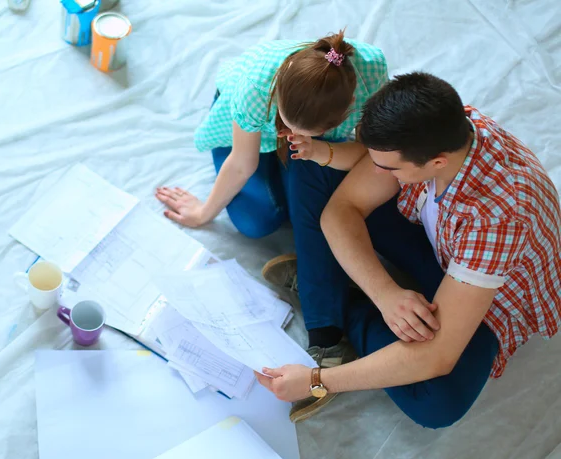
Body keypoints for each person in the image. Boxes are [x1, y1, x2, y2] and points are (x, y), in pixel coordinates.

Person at [258, 72, 561, 427]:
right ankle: (327, 330)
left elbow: (438, 358)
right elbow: (342, 211)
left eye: (389, 167)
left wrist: (317, 381)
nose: (374, 170)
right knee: (314, 168)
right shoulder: (439, 125)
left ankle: (335, 293)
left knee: (437, 403)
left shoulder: (499, 219)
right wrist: (386, 294)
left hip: (486, 298)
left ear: (436, 163)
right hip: (442, 243)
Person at [155, 31, 388, 238]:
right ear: (278, 93)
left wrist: (317, 148)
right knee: (255, 222)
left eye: (311, 132)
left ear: (351, 104)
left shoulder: (372, 71)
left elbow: (366, 153)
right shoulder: (255, 88)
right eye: (288, 125)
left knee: (316, 211)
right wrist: (203, 213)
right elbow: (241, 163)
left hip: (309, 139)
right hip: (244, 124)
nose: (292, 135)